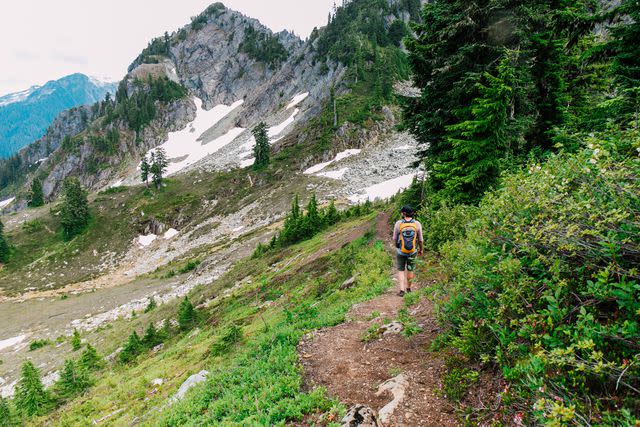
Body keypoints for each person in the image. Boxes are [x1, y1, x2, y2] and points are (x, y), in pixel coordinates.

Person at [392, 205, 423, 296]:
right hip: (413, 251)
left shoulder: (398, 223)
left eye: (402, 212)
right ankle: (408, 288)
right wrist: (421, 249)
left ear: (404, 213)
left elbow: (394, 238)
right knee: (410, 269)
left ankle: (402, 291)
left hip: (401, 251)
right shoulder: (417, 224)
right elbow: (420, 240)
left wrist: (396, 247)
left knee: (401, 270)